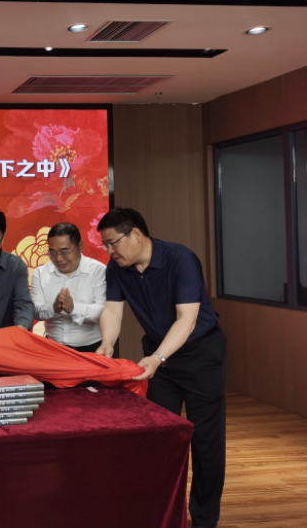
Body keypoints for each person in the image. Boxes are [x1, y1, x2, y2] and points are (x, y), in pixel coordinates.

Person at [96, 207, 226, 528]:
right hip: (159, 357)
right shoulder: (117, 268)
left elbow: (187, 319)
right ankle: (165, 514)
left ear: (136, 235)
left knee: (205, 440)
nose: (110, 251)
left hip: (200, 355)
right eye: (105, 245)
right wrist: (107, 343)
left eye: (113, 243)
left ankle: (204, 519)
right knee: (160, 436)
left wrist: (157, 358)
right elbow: (112, 311)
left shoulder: (181, 259)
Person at [31, 222, 106, 352]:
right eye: (53, 252)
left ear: (80, 246)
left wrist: (73, 308)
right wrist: (54, 308)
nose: (59, 259)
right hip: (53, 348)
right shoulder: (40, 273)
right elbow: (36, 311)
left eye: (64, 252)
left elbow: (104, 312)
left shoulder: (98, 271)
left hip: (93, 349)